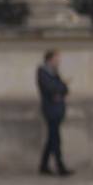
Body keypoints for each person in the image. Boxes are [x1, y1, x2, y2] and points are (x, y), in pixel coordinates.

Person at [37, 48, 73, 176]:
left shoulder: (54, 73)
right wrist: (59, 88)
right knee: (55, 138)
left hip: (58, 110)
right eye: (56, 58)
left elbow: (64, 89)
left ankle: (44, 165)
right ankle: (60, 166)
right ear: (49, 59)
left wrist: (60, 89)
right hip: (50, 110)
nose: (58, 61)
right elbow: (52, 89)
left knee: (52, 138)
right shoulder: (43, 72)